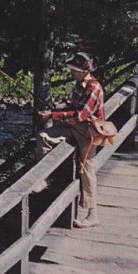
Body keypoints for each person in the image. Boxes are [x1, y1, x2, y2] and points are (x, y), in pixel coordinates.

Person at [37, 52, 105, 229]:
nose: (72, 72)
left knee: (87, 170)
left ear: (84, 71)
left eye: (74, 70)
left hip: (88, 132)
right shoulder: (78, 84)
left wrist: (53, 115)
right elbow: (73, 106)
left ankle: (93, 214)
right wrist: (59, 107)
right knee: (44, 137)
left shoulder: (94, 88)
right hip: (74, 127)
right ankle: (47, 177)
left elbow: (81, 115)